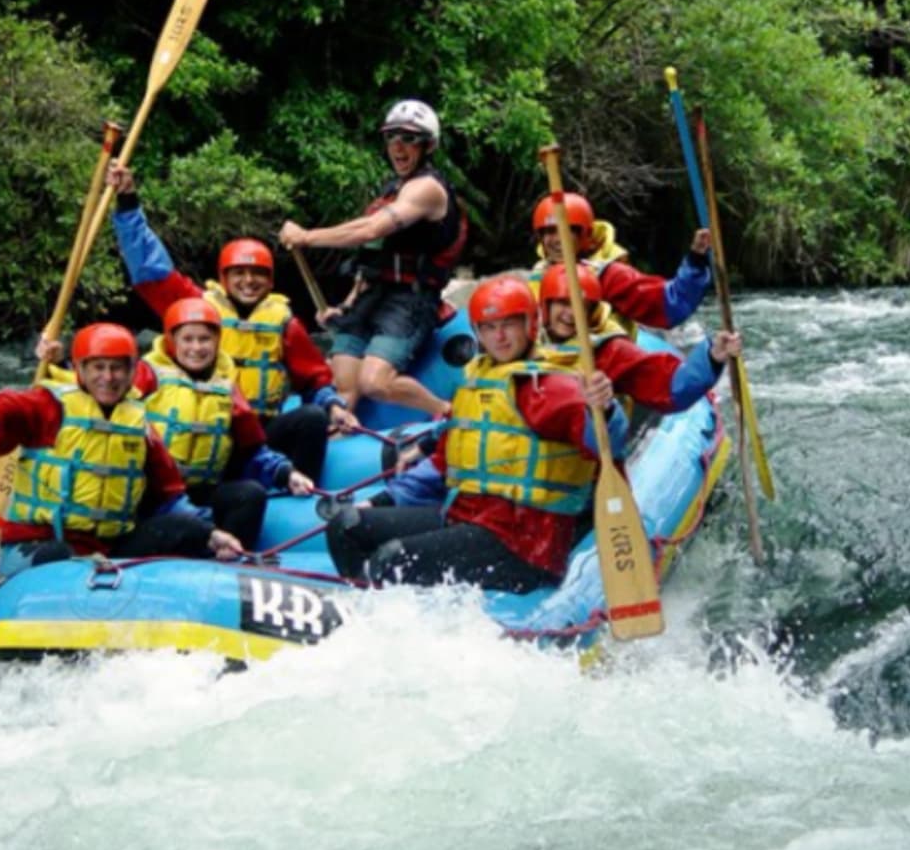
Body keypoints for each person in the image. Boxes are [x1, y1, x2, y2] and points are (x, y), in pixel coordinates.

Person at [325, 275, 628, 594]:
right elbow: (445, 462)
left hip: (523, 543)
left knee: (391, 561)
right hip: (468, 518)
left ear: (530, 324)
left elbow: (609, 443)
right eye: (488, 327)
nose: (499, 337)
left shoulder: (552, 388)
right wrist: (383, 500)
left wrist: (605, 408)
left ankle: (388, 620)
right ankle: (366, 618)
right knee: (346, 526)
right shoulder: (478, 383)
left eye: (509, 324)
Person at [0, 323, 244, 576]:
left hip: (106, 549)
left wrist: (209, 534)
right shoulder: (46, 406)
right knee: (58, 556)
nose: (108, 377)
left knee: (187, 530)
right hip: (39, 545)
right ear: (80, 369)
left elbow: (169, 498)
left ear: (133, 371)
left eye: (118, 368)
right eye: (98, 367)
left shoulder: (139, 424)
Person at [108, 163, 358, 483]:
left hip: (257, 431)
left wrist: (333, 406)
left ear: (269, 281)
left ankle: (301, 497)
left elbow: (313, 381)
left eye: (257, 275)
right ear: (224, 278)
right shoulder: (195, 308)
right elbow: (149, 268)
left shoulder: (284, 324)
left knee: (310, 418)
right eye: (239, 273)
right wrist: (128, 204)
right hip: (210, 425)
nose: (248, 281)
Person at [278, 99, 467, 417]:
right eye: (392, 137)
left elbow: (369, 230)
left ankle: (445, 411)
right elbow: (372, 257)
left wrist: (307, 237)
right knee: (343, 384)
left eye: (409, 138)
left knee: (374, 383)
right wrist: (346, 305)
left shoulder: (427, 189)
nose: (399, 146)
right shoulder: (392, 190)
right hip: (373, 295)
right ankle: (336, 440)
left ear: (428, 145)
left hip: (410, 301)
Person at [136, 297, 316, 551]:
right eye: (188, 339)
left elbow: (252, 449)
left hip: (202, 489)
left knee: (250, 494)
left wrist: (286, 473)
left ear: (217, 341)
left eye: (205, 339)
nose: (196, 348)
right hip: (155, 494)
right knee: (181, 525)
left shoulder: (225, 385)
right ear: (171, 341)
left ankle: (231, 563)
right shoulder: (146, 375)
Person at [537, 262, 742, 415]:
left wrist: (712, 357)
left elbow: (669, 385)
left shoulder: (609, 350)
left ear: (592, 312)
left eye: (581, 307)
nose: (571, 314)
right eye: (563, 303)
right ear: (545, 306)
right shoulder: (523, 342)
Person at [528, 191, 714, 336]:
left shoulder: (611, 276)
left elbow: (672, 303)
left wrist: (696, 260)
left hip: (604, 370)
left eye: (564, 231)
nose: (556, 240)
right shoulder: (537, 274)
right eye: (549, 232)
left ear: (584, 235)